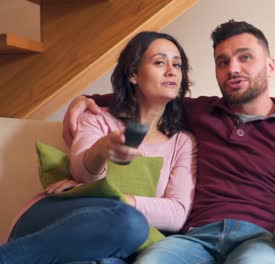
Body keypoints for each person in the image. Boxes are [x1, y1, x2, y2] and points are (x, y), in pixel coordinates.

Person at [64, 20, 275, 264]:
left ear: (270, 65)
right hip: (194, 238)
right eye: (222, 61)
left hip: (264, 238)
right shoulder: (201, 112)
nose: (233, 69)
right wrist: (86, 98)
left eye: (245, 58)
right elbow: (149, 95)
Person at [0, 31, 196, 264]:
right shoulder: (97, 118)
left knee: (118, 248)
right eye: (160, 62)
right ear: (134, 73)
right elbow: (80, 173)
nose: (172, 71)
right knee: (132, 223)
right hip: (57, 217)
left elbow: (176, 214)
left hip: (114, 239)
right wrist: (102, 150)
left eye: (177, 65)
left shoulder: (183, 142)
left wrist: (112, 198)